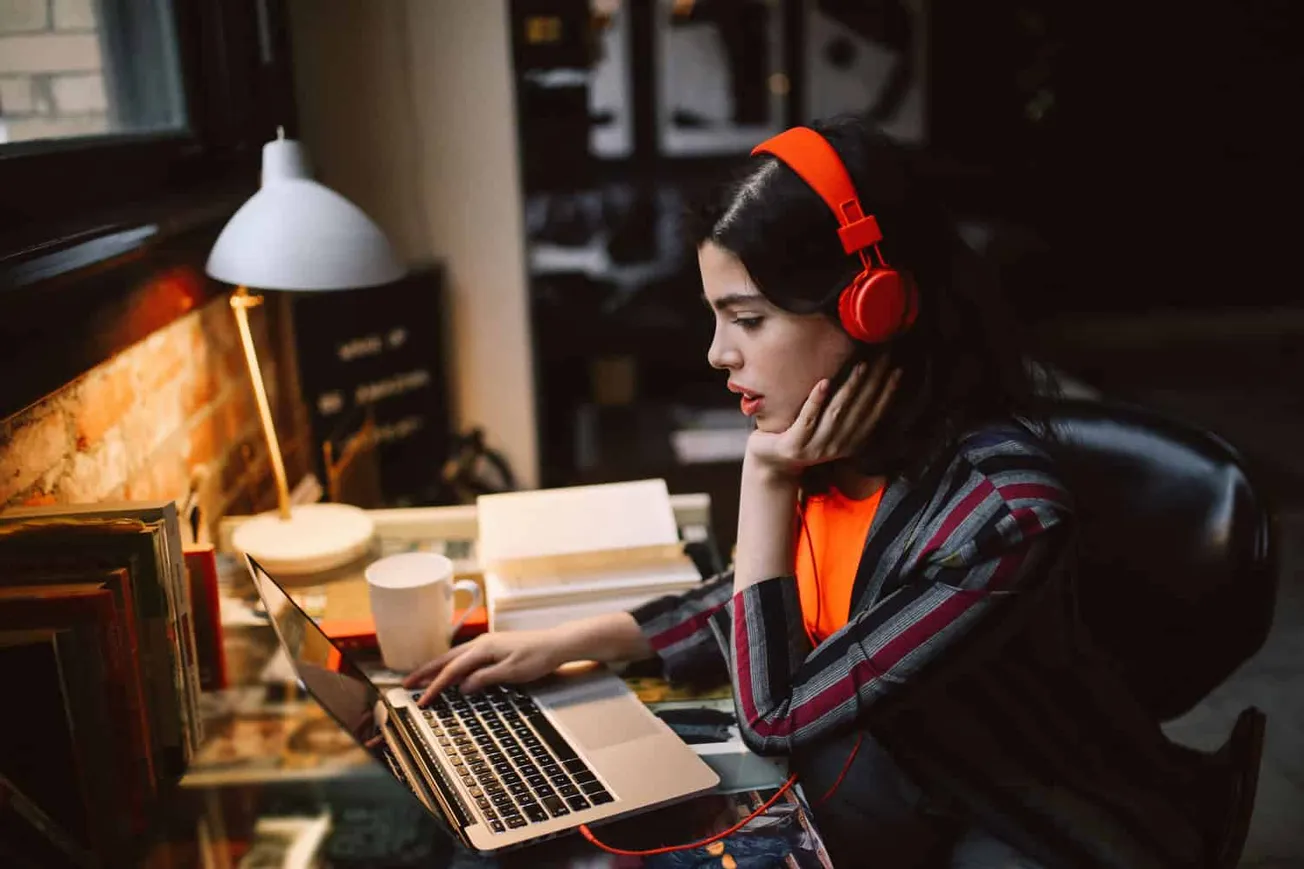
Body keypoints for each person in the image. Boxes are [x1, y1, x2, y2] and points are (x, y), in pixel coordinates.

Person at [404, 115, 1257, 867]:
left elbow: (775, 714)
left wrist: (766, 479)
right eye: (715, 318)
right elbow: (769, 596)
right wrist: (563, 642)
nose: (716, 353)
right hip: (905, 770)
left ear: (872, 306)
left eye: (747, 319)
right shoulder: (844, 443)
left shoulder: (1002, 516)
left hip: (1030, 811)